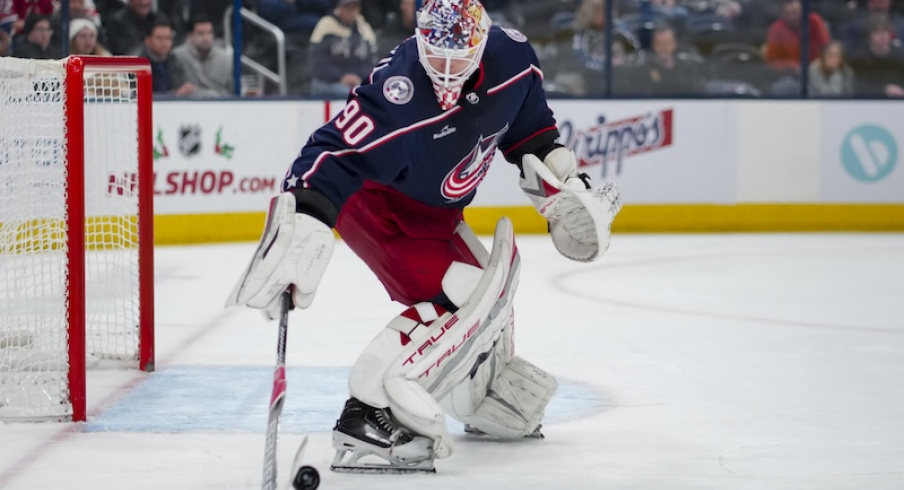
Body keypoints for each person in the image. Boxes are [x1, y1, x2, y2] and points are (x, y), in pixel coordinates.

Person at [226, 0, 621, 474]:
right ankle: (370, 413)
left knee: (494, 282)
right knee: (469, 293)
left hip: (435, 212)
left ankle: (477, 397)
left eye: (460, 58)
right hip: (377, 205)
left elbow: (532, 135)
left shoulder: (514, 61)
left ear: (483, 41)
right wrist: (307, 217)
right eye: (436, 56)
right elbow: (330, 151)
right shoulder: (398, 92)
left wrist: (564, 186)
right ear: (418, 40)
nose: (448, 72)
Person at [307, 0, 378, 96]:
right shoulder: (326, 25)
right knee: (347, 93)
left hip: (357, 81)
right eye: (347, 7)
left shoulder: (364, 28)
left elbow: (372, 60)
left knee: (372, 93)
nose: (351, 11)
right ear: (339, 8)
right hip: (327, 82)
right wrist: (341, 77)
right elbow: (318, 62)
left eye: (354, 7)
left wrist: (358, 76)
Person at [171, 14, 233, 96]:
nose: (206, 38)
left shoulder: (225, 59)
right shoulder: (178, 56)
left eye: (209, 33)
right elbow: (173, 91)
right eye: (200, 33)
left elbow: (234, 90)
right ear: (190, 36)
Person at [635, 25, 706, 95]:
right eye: (658, 43)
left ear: (675, 44)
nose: (663, 48)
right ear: (653, 45)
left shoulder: (688, 67)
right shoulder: (644, 69)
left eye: (667, 43)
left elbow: (697, 93)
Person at [134, 14, 192, 95]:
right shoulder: (137, 63)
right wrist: (174, 95)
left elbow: (180, 85)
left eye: (168, 38)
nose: (164, 43)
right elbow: (137, 95)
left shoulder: (175, 60)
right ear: (147, 40)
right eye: (159, 38)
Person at [848, 17, 904, 97]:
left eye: (885, 31)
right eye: (877, 32)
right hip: (870, 103)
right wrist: (883, 90)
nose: (882, 36)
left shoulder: (901, 55)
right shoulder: (860, 58)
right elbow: (859, 86)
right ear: (869, 36)